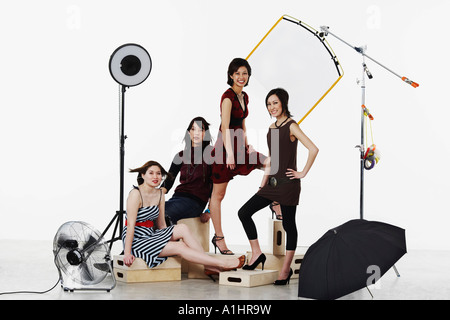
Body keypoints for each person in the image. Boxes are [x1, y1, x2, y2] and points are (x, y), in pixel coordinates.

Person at [238, 88, 319, 285]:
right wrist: (262, 185)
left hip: (288, 185)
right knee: (244, 212)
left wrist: (302, 173)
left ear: (283, 103)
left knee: (289, 225)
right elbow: (272, 160)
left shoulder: (291, 126)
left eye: (275, 103)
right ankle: (257, 253)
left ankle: (285, 270)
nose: (271, 107)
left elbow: (313, 148)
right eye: (268, 104)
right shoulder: (272, 128)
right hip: (272, 185)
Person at [122, 160, 245, 278]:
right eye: (151, 173)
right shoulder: (135, 194)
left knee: (182, 228)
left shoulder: (159, 194)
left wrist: (166, 238)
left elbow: (162, 225)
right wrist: (127, 253)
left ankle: (208, 266)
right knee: (180, 247)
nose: (156, 176)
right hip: (137, 240)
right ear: (143, 175)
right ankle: (221, 264)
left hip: (151, 234)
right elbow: (130, 226)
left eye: (159, 173)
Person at [209, 58, 267, 255]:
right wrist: (231, 154)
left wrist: (247, 143)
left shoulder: (245, 96)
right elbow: (225, 127)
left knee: (270, 163)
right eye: (237, 73)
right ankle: (219, 238)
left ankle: (272, 201)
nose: (241, 77)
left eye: (245, 73)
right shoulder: (227, 97)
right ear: (231, 76)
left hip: (239, 144)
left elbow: (242, 123)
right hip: (224, 147)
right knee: (218, 195)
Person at [161, 117, 213, 225]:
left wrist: (209, 210)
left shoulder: (212, 154)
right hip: (177, 198)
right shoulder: (180, 155)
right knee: (150, 213)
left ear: (205, 133)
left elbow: (216, 185)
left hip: (195, 201)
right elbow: (168, 181)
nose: (196, 133)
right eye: (193, 129)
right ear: (189, 132)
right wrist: (154, 198)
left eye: (200, 130)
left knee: (162, 214)